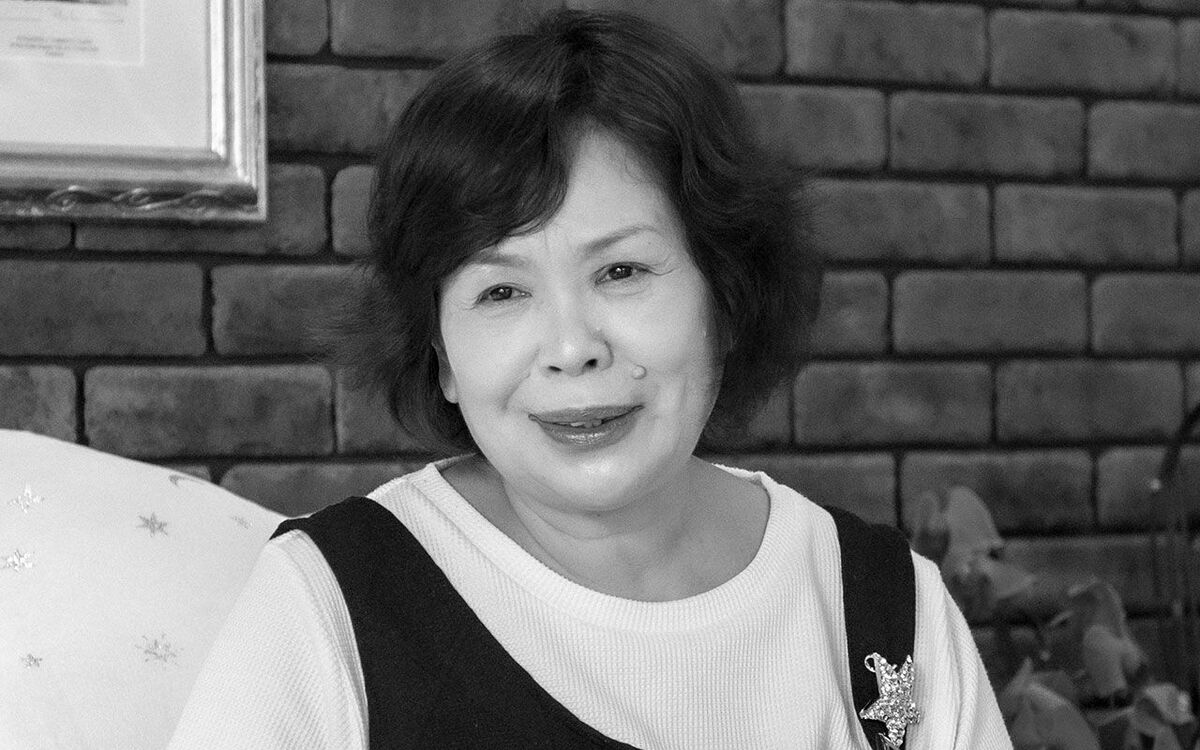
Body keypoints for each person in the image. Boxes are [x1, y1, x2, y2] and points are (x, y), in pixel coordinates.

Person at [169, 9, 1011, 749]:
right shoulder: (331, 603)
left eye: (622, 272)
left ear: (726, 297)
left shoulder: (885, 608)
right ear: (440, 354)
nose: (572, 348)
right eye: (501, 292)